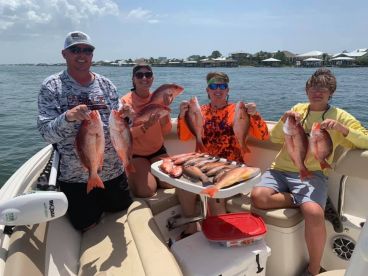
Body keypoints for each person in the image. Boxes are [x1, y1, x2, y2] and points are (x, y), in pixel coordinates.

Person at [251, 68, 368, 276]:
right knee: (258, 197)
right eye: (313, 87)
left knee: (314, 213)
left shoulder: (340, 115)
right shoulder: (297, 109)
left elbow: (365, 140)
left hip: (313, 174)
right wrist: (284, 118)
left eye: (323, 88)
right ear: (307, 90)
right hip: (280, 170)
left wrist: (343, 130)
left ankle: (314, 269)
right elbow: (277, 138)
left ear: (331, 92)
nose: (317, 92)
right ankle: (301, 199)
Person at [37, 31, 132, 231]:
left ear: (92, 54)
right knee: (86, 224)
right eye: (75, 50)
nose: (82, 54)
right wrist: (68, 117)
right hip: (76, 178)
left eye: (87, 50)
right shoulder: (52, 86)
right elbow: (46, 133)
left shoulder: (106, 84)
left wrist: (127, 116)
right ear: (64, 54)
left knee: (121, 210)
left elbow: (120, 126)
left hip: (113, 171)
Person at [176, 71, 269, 238]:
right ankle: (192, 226)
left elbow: (263, 136)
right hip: (203, 164)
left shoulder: (238, 110)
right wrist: (182, 115)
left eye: (222, 86)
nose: (217, 89)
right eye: (213, 86)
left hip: (231, 167)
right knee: (183, 187)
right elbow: (183, 136)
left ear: (228, 90)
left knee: (215, 198)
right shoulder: (200, 110)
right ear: (207, 90)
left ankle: (221, 234)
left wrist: (255, 114)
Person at [120, 64, 173, 197]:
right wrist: (145, 126)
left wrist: (165, 110)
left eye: (148, 75)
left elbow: (166, 131)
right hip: (137, 154)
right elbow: (125, 136)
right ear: (133, 79)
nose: (144, 78)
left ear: (152, 79)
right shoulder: (125, 102)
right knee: (146, 191)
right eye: (139, 75)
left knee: (171, 183)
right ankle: (138, 176)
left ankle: (151, 174)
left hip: (158, 150)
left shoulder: (159, 99)